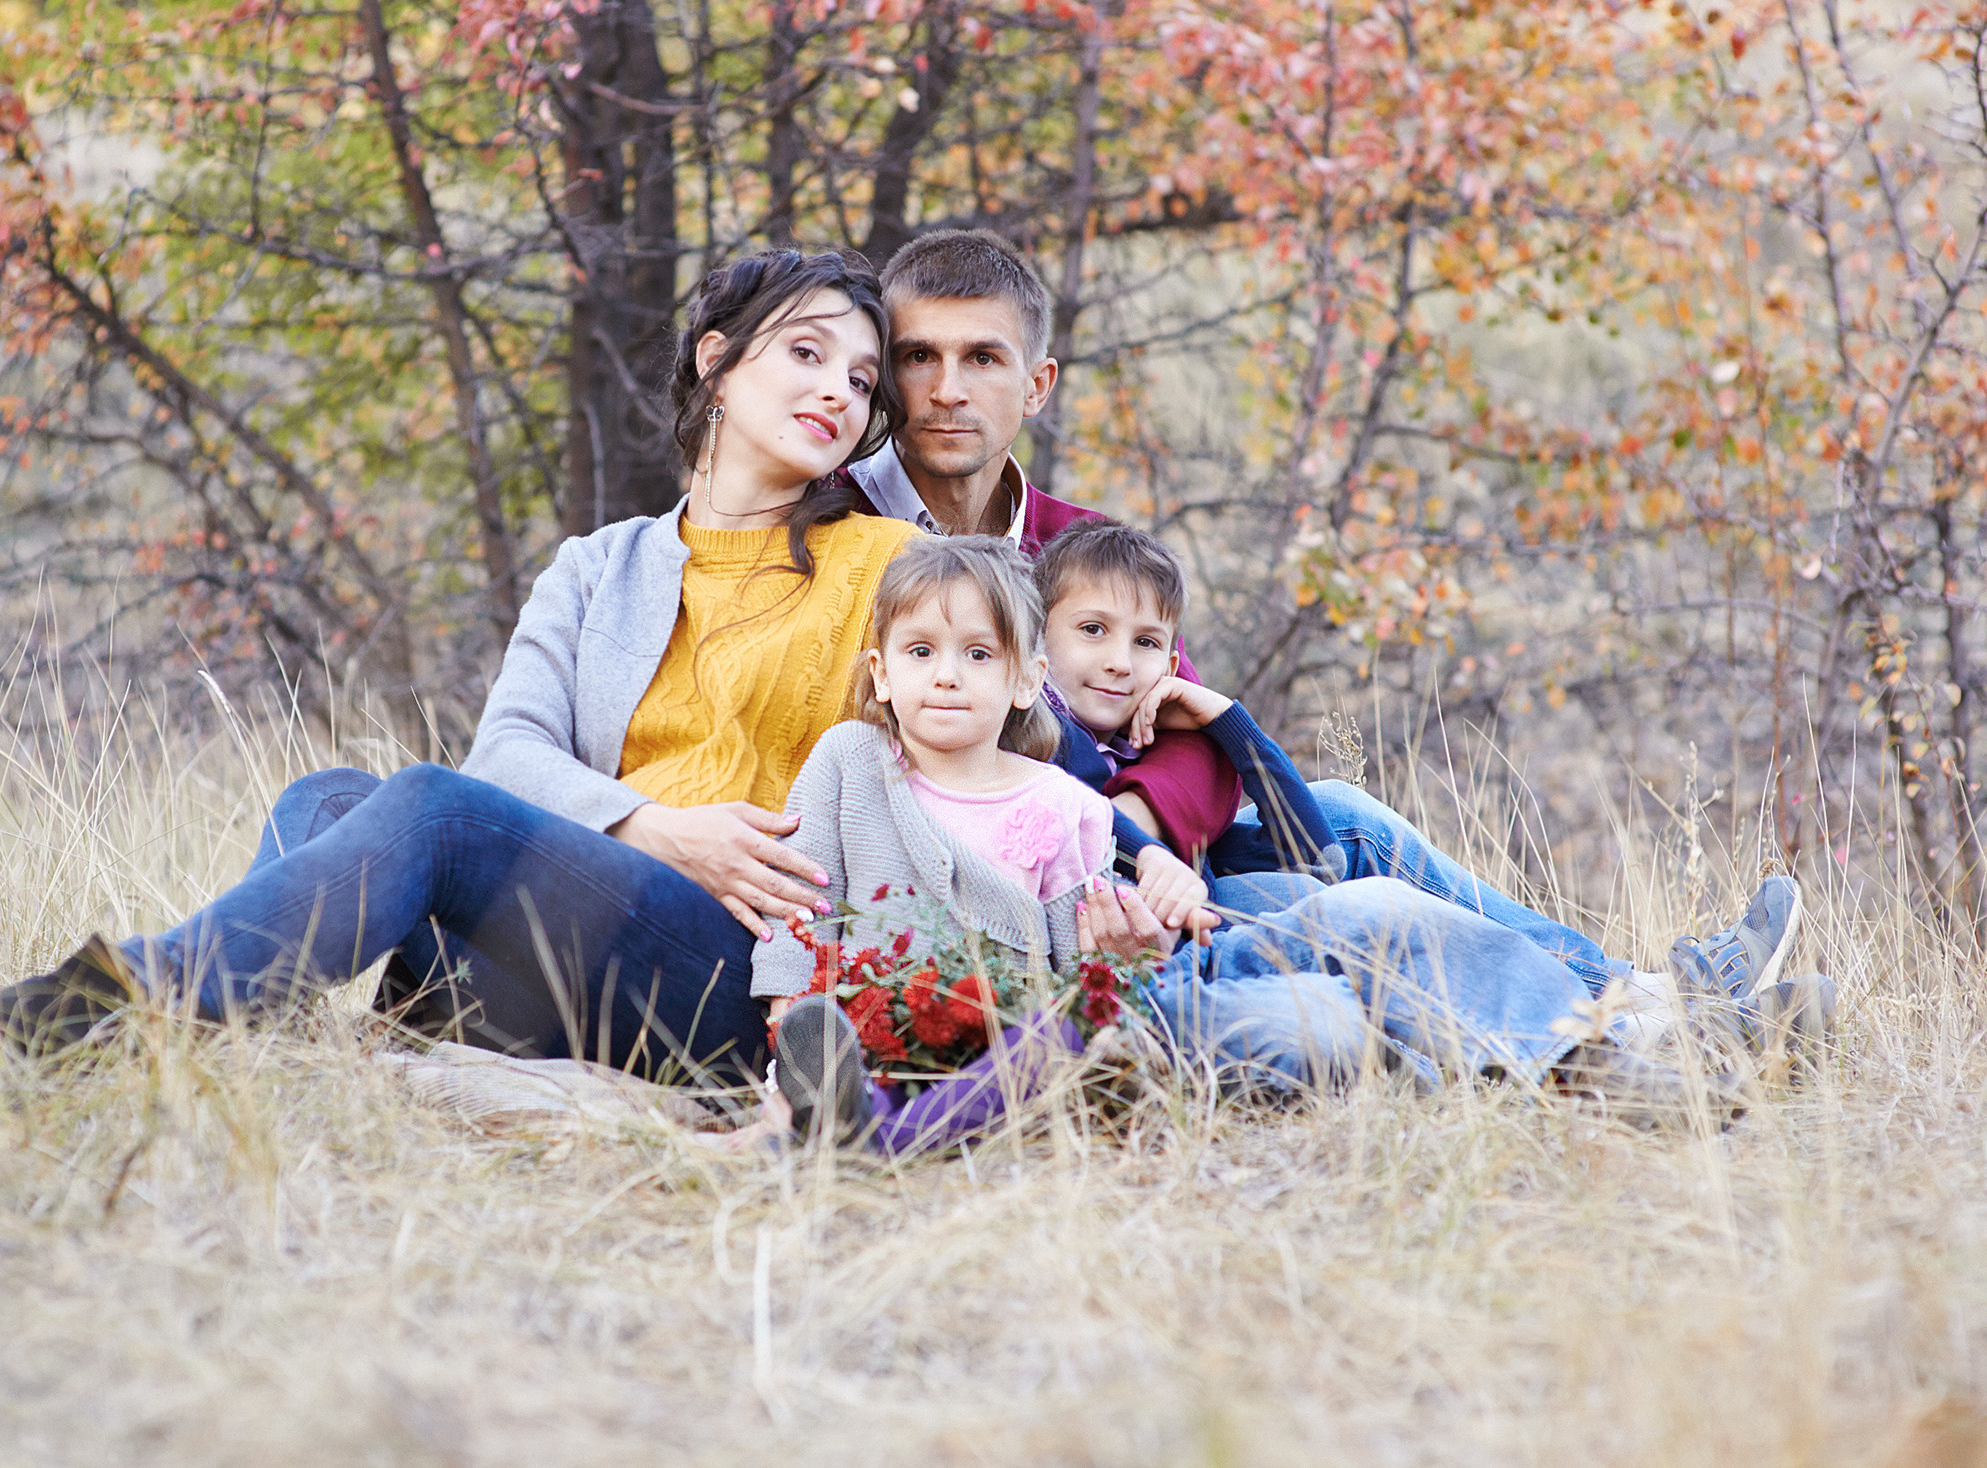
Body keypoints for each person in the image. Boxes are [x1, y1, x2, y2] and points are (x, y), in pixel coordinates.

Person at [0, 249, 924, 1093]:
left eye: (863, 379)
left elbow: (1003, 731)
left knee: (433, 813)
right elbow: (511, 751)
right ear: (716, 361)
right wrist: (649, 826)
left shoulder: (891, 566)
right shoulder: (601, 567)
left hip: (742, 979)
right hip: (564, 958)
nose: (839, 390)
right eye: (806, 352)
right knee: (329, 799)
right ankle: (360, 1025)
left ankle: (78, 1021)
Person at [1033, 516, 1833, 1064]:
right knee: (1343, 911)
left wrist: (1228, 722)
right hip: (1165, 951)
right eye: (1092, 632)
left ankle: (1641, 997)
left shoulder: (1142, 726)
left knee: (1339, 814)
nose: (1118, 661)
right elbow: (1075, 813)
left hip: (1213, 907)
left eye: (1145, 643)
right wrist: (1151, 851)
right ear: (1036, 647)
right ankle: (1636, 1037)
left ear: (1172, 661)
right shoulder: (1047, 731)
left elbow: (1316, 851)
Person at [841, 228, 1244, 904]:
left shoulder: (1079, 547)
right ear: (884, 377)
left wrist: (1124, 837)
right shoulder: (833, 525)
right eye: (918, 356)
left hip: (1123, 868)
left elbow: (1192, 730)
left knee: (1360, 831)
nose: (947, 390)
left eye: (982, 359)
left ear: (1036, 386)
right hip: (929, 891)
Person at [751, 537, 1128, 1151]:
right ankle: (842, 1115)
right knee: (834, 1052)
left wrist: (1116, 958)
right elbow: (799, 906)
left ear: (1027, 680)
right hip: (873, 1038)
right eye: (920, 651)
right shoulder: (850, 763)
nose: (946, 675)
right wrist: (791, 1016)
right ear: (882, 673)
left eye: (979, 654)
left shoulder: (1067, 807)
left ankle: (874, 1145)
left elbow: (1076, 969)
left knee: (1064, 1031)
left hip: (994, 1049)